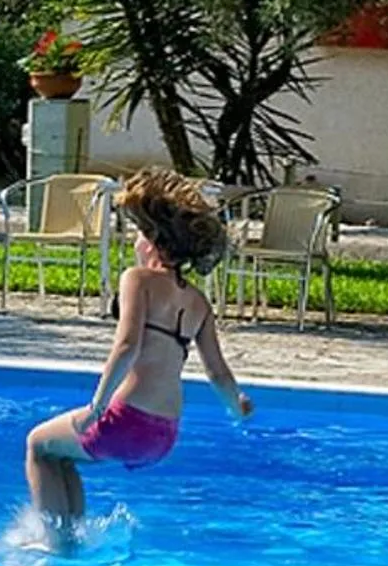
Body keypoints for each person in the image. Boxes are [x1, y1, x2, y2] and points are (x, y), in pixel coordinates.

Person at [25, 169, 252, 531]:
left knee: (38, 444)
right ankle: (72, 535)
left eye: (137, 233)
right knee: (61, 457)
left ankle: (56, 543)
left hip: (126, 419)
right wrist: (236, 407)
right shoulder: (198, 302)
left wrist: (96, 407)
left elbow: (127, 345)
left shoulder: (138, 279)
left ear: (152, 240)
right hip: (163, 436)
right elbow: (218, 373)